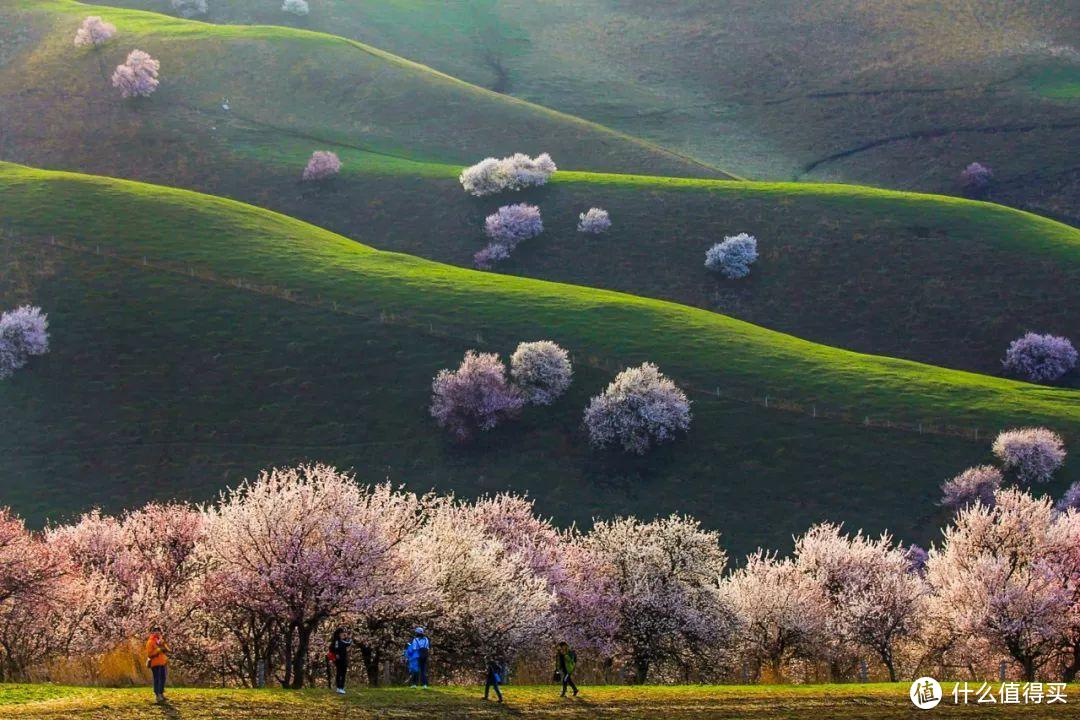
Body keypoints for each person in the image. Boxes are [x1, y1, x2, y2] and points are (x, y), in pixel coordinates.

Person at [145, 626, 170, 703]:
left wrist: (164, 646)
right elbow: (149, 654)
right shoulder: (150, 642)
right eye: (155, 631)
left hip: (162, 662)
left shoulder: (160, 640)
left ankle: (161, 693)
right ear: (152, 632)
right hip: (155, 663)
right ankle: (157, 695)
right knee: (157, 679)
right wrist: (158, 650)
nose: (157, 632)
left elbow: (167, 649)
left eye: (158, 631)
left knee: (163, 678)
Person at [328, 627, 353, 695]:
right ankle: (340, 687)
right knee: (342, 673)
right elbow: (348, 643)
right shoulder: (340, 641)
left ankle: (339, 687)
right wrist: (349, 637)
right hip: (341, 660)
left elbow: (331, 648)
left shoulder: (335, 641)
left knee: (339, 673)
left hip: (337, 660)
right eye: (342, 634)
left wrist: (335, 654)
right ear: (339, 634)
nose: (344, 635)